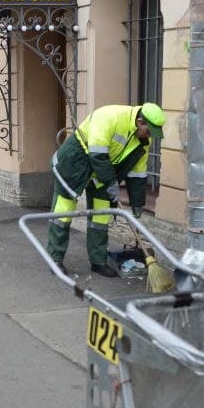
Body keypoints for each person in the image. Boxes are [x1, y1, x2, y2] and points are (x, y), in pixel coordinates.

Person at [46, 102, 166, 277]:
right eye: (149, 131)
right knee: (62, 214)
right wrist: (111, 183)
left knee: (101, 216)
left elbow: (138, 174)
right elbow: (98, 154)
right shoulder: (110, 116)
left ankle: (98, 261)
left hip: (102, 173)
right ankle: (55, 259)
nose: (150, 137)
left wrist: (137, 204)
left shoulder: (142, 142)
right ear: (140, 122)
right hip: (74, 164)